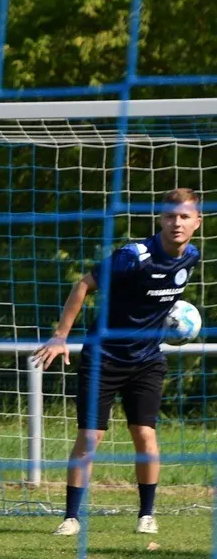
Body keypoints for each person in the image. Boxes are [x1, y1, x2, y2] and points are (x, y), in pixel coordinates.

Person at [32, 189, 202, 536]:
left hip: (147, 360)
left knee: (145, 434)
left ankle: (147, 515)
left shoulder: (191, 257)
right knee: (90, 437)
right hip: (104, 358)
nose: (176, 223)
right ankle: (71, 517)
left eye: (184, 217)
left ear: (197, 222)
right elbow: (83, 285)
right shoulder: (133, 256)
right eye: (170, 216)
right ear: (160, 219)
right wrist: (61, 336)